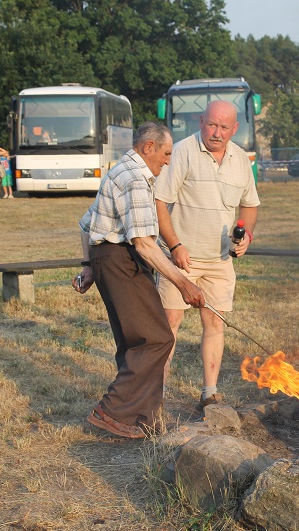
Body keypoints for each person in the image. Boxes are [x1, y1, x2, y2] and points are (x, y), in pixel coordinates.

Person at [73, 122, 205, 439]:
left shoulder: (124, 172)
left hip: (110, 260)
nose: (168, 160)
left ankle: (138, 419)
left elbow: (86, 225)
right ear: (148, 147)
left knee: (135, 340)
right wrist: (183, 283)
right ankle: (112, 412)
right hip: (121, 261)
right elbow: (144, 244)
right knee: (155, 338)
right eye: (166, 153)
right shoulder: (134, 179)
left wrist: (89, 265)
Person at [154, 100, 260, 411]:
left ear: (234, 129)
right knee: (170, 322)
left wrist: (247, 236)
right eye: (211, 124)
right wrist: (174, 245)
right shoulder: (183, 151)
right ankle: (156, 393)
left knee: (215, 322)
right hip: (180, 258)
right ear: (201, 121)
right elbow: (159, 201)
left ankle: (209, 393)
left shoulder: (241, 160)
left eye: (224, 127)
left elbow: (250, 205)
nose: (216, 132)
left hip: (219, 261)